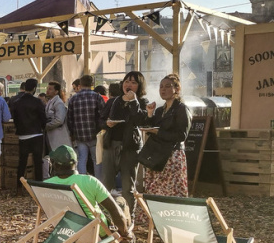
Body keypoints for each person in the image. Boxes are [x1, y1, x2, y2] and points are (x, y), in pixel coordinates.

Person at [45, 145, 135, 242]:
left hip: (65, 232)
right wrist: (126, 233)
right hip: (95, 233)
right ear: (76, 163)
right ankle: (125, 240)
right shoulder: (89, 181)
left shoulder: (46, 186)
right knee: (120, 202)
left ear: (55, 165)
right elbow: (115, 212)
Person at [101, 72, 149, 216]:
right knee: (106, 185)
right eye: (126, 81)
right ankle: (107, 216)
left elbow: (140, 121)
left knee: (128, 186)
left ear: (139, 86)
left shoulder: (142, 102)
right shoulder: (113, 101)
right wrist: (106, 124)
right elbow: (100, 120)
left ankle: (129, 218)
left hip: (130, 147)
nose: (129, 85)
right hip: (111, 145)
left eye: (133, 82)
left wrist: (133, 101)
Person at [142, 73, 192, 198]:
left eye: (167, 86)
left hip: (173, 155)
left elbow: (182, 135)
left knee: (172, 191)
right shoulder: (159, 110)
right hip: (157, 154)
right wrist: (149, 113)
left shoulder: (181, 109)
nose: (163, 89)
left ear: (177, 89)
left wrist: (158, 132)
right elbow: (150, 129)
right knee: (154, 190)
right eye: (161, 86)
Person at [10, 78, 47, 190]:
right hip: (36, 135)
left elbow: (15, 119)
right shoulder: (37, 102)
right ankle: (39, 187)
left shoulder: (16, 102)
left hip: (23, 136)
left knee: (22, 162)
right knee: (37, 163)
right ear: (34, 89)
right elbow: (43, 119)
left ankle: (19, 187)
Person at [67, 74, 105, 176]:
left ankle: (82, 183)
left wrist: (72, 133)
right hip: (95, 134)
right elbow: (103, 115)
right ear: (92, 84)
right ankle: (98, 183)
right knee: (97, 160)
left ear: (80, 84)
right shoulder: (97, 97)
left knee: (82, 159)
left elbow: (69, 118)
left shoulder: (73, 99)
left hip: (79, 135)